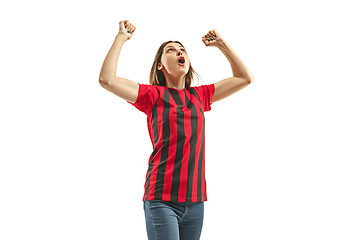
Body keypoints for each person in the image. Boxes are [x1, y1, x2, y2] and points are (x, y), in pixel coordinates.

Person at [99, 20, 254, 240]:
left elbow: (244, 78)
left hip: (196, 201)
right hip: (162, 199)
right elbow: (107, 80)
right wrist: (121, 38)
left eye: (182, 50)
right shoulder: (152, 96)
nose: (179, 52)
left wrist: (221, 45)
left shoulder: (199, 96)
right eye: (170, 50)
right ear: (160, 65)